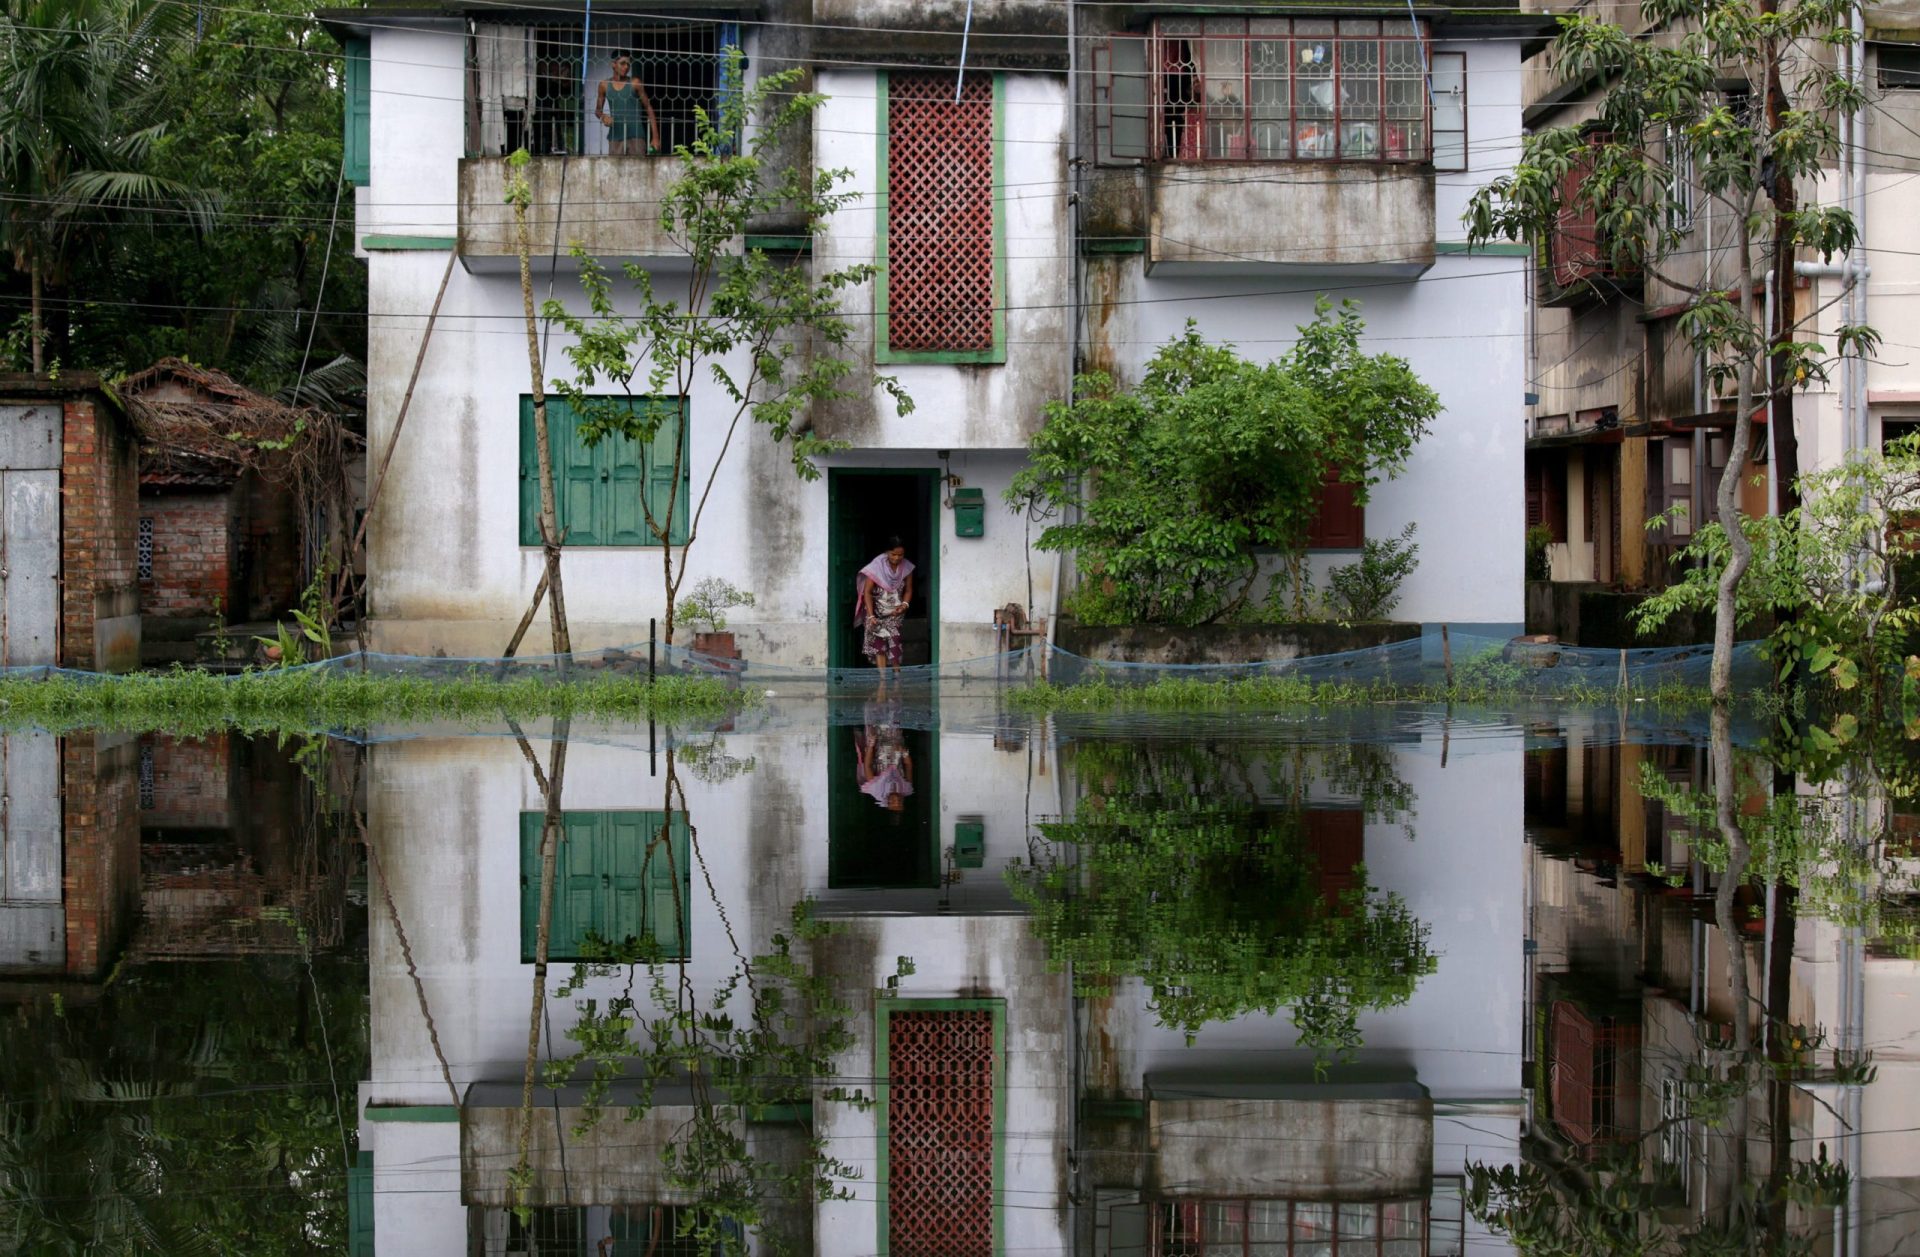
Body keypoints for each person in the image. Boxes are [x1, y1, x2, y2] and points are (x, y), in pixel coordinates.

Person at [855, 536, 915, 689]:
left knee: (895, 643)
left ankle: (896, 677)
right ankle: (882, 679)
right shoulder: (876, 567)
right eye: (893, 554)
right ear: (887, 552)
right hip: (876, 613)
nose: (896, 558)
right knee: (879, 646)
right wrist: (871, 615)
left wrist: (904, 605)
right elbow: (867, 593)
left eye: (900, 555)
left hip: (895, 613)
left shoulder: (907, 568)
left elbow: (908, 590)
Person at [596, 54, 660, 156]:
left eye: (628, 64)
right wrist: (604, 117)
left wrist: (656, 137)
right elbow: (598, 110)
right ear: (613, 65)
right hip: (615, 137)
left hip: (636, 135)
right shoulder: (604, 85)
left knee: (638, 168)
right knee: (615, 169)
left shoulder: (635, 83)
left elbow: (648, 108)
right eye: (622, 63)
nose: (626, 67)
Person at [855, 703, 914, 812]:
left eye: (893, 803)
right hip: (895, 740)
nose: (896, 800)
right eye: (900, 803)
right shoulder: (906, 788)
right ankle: (896, 688)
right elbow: (909, 766)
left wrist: (871, 745)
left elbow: (867, 765)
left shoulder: (876, 788)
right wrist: (904, 752)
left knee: (877, 711)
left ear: (887, 802)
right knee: (895, 710)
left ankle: (880, 688)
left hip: (879, 743)